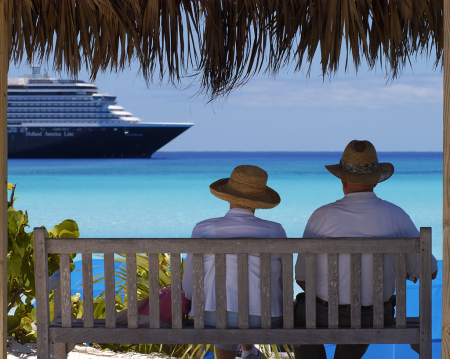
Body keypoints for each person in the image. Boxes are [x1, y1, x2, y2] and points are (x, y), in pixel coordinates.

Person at [293, 140, 438, 359]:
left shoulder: (320, 216)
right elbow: (430, 271)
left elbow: (302, 278)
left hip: (321, 314)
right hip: (375, 317)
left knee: (297, 317)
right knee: (364, 317)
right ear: (375, 180)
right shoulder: (396, 216)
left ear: (342, 180)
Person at [182, 165, 286, 359]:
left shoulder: (204, 228)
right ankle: (249, 352)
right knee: (241, 302)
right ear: (259, 201)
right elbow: (283, 279)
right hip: (266, 316)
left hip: (214, 316)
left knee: (222, 307)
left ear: (228, 196)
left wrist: (189, 298)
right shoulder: (275, 230)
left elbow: (189, 283)